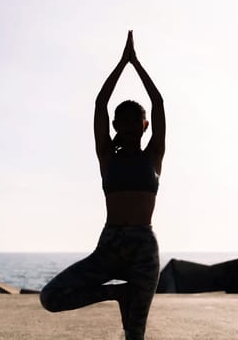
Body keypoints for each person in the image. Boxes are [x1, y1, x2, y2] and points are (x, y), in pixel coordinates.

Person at [39, 30, 165, 340]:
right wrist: (122, 63)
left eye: (136, 120)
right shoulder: (106, 156)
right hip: (110, 246)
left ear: (145, 125)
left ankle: (125, 300)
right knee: (51, 297)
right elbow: (100, 102)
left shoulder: (154, 155)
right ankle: (116, 294)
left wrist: (136, 64)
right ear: (115, 125)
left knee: (135, 335)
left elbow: (158, 101)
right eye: (123, 120)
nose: (131, 125)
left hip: (143, 250)